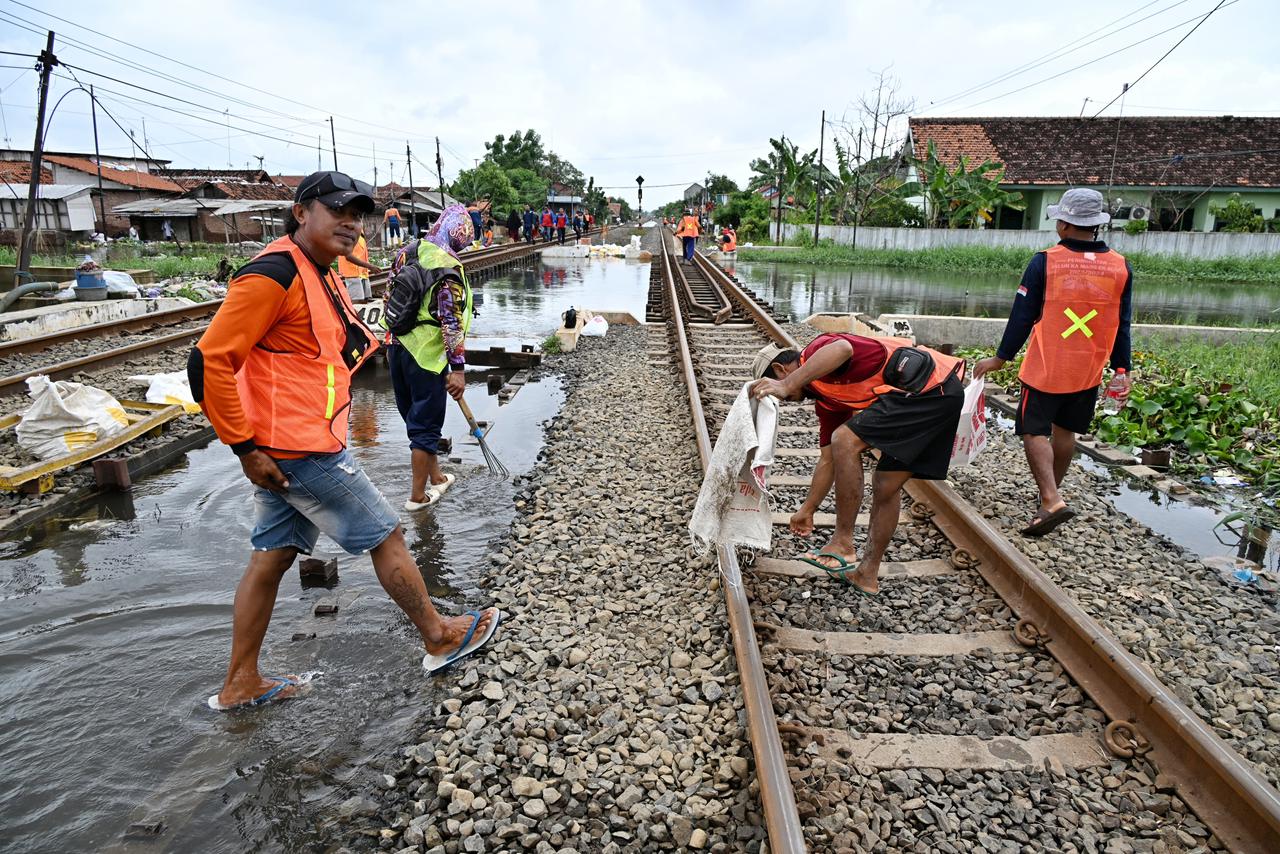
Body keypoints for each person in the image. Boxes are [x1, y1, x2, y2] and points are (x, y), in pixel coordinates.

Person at [188, 172, 498, 710]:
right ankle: (439, 635)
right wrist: (243, 448)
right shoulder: (274, 273)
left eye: (357, 214)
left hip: (291, 440)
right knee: (387, 535)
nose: (350, 223)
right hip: (298, 446)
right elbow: (210, 360)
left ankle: (240, 683)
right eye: (337, 211)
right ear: (301, 212)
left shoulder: (321, 269)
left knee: (272, 558)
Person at [749, 334, 965, 595]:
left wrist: (787, 385)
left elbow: (843, 348)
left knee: (845, 438)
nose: (782, 399)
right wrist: (807, 509)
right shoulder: (828, 400)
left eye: (777, 390)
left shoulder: (817, 349)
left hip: (930, 386)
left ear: (779, 370)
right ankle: (867, 574)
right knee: (886, 485)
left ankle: (842, 541)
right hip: (935, 395)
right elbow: (829, 459)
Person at [973, 187, 1133, 537]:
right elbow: (1124, 320)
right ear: (1095, 226)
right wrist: (1123, 369)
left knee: (1033, 429)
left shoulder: (1045, 261)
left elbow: (1022, 316)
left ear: (1063, 224)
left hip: (1047, 366)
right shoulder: (1120, 266)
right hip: (1088, 369)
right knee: (1066, 432)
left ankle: (1050, 499)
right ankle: (1051, 496)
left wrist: (1001, 358)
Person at [384, 203, 474, 512]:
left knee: (417, 421)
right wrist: (458, 369)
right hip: (426, 357)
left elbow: (388, 297)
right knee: (425, 428)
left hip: (396, 348)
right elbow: (451, 323)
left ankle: (436, 476)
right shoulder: (448, 268)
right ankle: (417, 498)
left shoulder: (407, 251)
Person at [337, 223, 379, 303]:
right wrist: (370, 266)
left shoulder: (360, 232)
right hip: (352, 272)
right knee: (357, 301)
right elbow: (348, 256)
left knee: (365, 300)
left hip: (362, 272)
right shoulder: (348, 233)